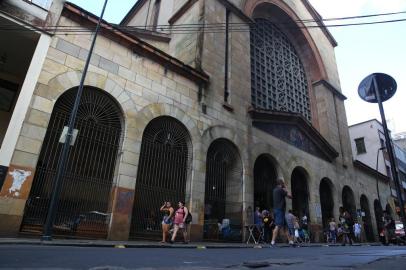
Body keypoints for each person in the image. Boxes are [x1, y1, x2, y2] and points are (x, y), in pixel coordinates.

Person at [271, 177, 293, 247]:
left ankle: (290, 241)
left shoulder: (275, 190)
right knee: (277, 226)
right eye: (283, 183)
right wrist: (286, 188)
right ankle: (272, 242)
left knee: (285, 227)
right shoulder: (281, 190)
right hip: (280, 210)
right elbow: (290, 196)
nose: (283, 184)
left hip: (277, 210)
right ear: (281, 183)